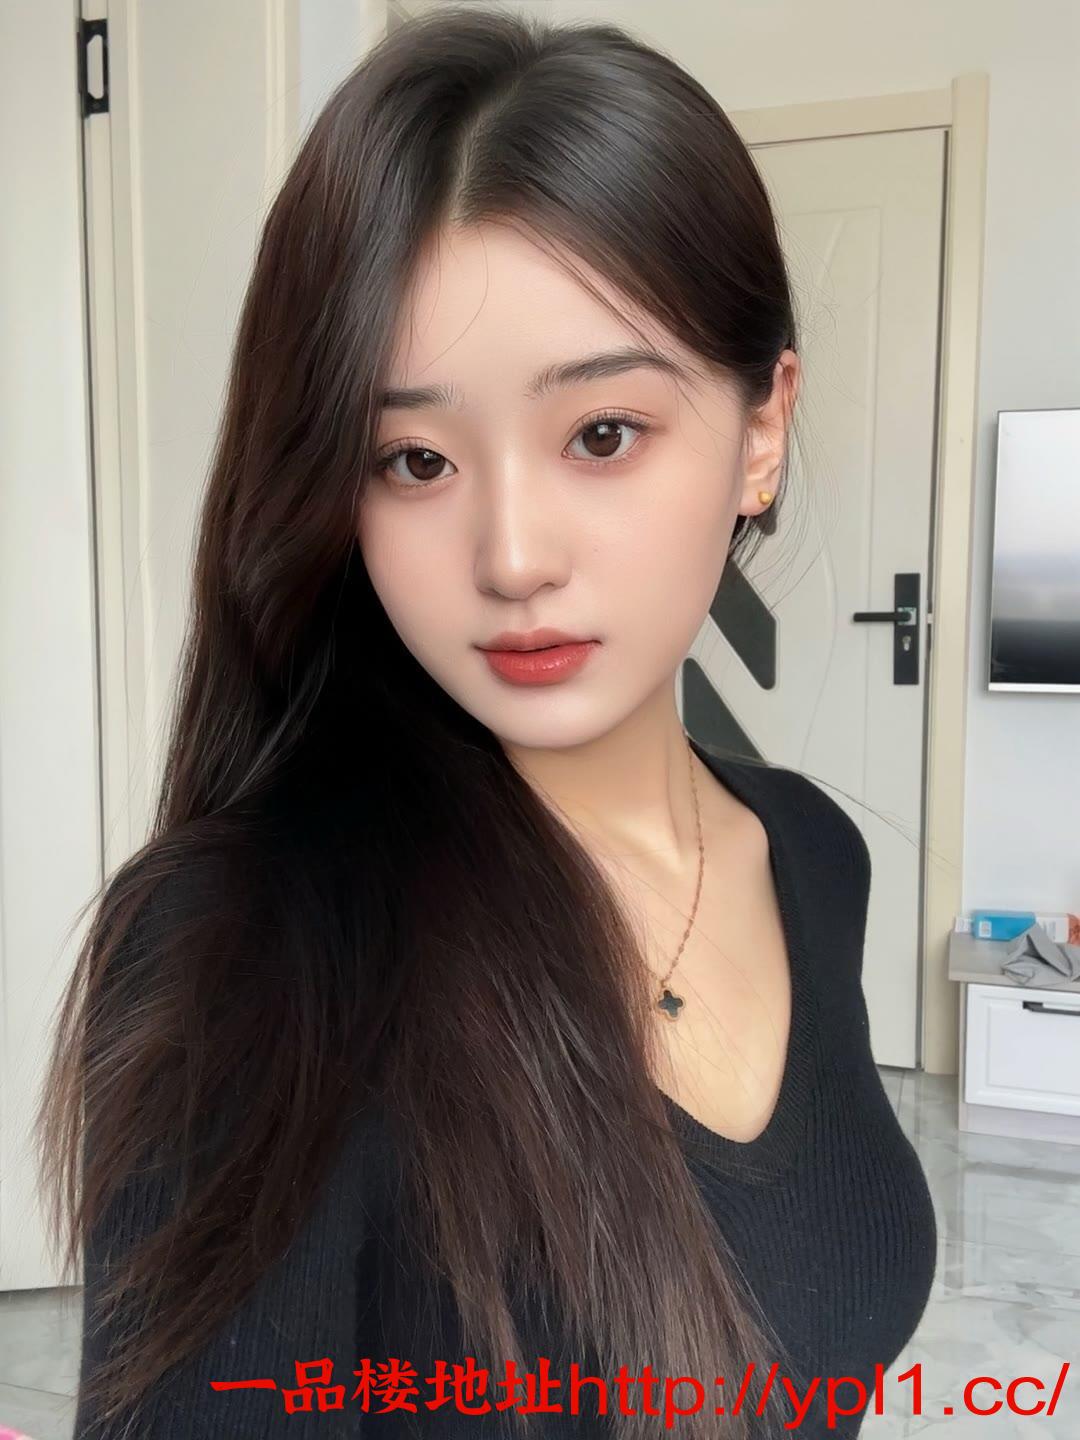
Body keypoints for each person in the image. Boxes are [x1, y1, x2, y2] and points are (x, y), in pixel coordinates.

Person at [39, 6, 936, 1438]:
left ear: (762, 427)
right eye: (414, 459)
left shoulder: (816, 857)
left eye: (600, 434)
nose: (511, 558)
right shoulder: (260, 941)